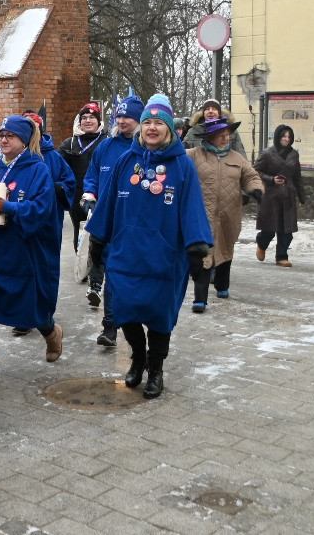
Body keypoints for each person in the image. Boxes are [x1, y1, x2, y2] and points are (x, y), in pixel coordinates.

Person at [86, 93, 212, 399]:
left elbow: (192, 208)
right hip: (126, 254)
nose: (152, 128)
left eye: (159, 123)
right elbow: (108, 203)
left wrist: (197, 247)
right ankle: (138, 358)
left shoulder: (182, 166)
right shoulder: (125, 161)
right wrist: (98, 238)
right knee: (125, 311)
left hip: (164, 258)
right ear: (141, 127)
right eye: (148, 122)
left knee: (159, 316)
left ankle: (156, 369)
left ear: (169, 129)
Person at [0, 115, 63, 365]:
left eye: (10, 136)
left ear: (23, 141)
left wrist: (8, 207)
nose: (4, 140)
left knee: (31, 305)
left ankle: (51, 332)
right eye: (1, 135)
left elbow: (42, 210)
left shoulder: (38, 169)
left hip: (23, 249)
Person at [79, 94, 144, 346]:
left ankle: (134, 323)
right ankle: (109, 327)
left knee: (131, 275)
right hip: (107, 219)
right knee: (112, 271)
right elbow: (92, 175)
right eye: (119, 115)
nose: (122, 120)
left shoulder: (145, 148)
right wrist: (89, 195)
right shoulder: (105, 147)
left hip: (135, 222)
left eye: (128, 116)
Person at [187, 118, 264, 312]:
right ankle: (200, 298)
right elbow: (175, 162)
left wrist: (255, 189)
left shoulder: (237, 158)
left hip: (230, 213)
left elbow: (251, 176)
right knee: (204, 253)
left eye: (227, 135)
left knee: (226, 248)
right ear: (210, 137)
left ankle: (222, 285)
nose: (225, 138)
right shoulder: (194, 155)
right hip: (202, 213)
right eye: (220, 135)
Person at [12, 110, 73, 337]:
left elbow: (69, 183)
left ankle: (45, 313)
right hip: (20, 219)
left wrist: (56, 188)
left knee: (45, 268)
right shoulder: (14, 158)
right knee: (22, 267)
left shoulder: (53, 157)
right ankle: (24, 315)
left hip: (48, 221)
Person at [254, 124, 307, 267]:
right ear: (278, 137)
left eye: (289, 137)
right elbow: (255, 171)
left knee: (286, 229)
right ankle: (261, 244)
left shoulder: (294, 154)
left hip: (288, 195)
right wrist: (271, 179)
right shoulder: (267, 153)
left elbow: (297, 176)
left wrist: (302, 196)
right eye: (284, 136)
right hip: (271, 196)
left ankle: (282, 256)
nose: (286, 139)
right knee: (269, 229)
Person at [58, 101, 106, 249]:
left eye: (92, 117)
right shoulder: (69, 143)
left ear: (99, 121)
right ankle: (80, 262)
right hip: (77, 199)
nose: (88, 121)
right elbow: (58, 168)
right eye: (84, 118)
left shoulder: (107, 141)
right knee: (79, 236)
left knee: (100, 237)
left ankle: (97, 262)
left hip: (101, 197)